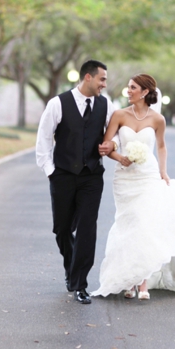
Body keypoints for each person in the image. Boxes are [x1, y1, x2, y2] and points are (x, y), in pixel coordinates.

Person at [90, 74, 175, 301]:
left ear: (144, 92)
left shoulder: (157, 119)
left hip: (148, 176)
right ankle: (128, 281)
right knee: (128, 226)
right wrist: (120, 157)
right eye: (128, 87)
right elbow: (105, 146)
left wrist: (163, 171)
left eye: (132, 87)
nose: (128, 90)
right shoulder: (119, 115)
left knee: (145, 226)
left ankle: (142, 283)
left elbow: (161, 147)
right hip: (124, 179)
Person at [36, 60, 115, 304]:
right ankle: (71, 266)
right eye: (102, 79)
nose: (104, 84)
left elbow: (116, 136)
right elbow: (44, 139)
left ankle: (80, 283)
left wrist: (112, 145)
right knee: (62, 228)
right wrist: (51, 171)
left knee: (87, 229)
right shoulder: (57, 103)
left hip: (92, 176)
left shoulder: (105, 104)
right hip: (62, 175)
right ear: (88, 78)